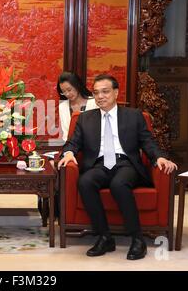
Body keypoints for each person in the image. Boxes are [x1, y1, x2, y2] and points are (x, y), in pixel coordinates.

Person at [58, 74, 177, 260]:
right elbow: (72, 143)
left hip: (125, 163)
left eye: (105, 91)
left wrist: (159, 158)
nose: (100, 96)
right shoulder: (85, 118)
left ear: (116, 93)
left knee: (119, 184)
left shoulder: (134, 116)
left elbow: (148, 142)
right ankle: (105, 237)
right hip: (99, 165)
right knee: (85, 182)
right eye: (96, 93)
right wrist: (69, 153)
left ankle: (137, 239)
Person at [57, 71, 98, 142]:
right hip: (71, 147)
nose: (67, 94)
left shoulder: (94, 103)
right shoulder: (63, 106)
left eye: (69, 90)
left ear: (77, 85)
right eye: (63, 91)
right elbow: (66, 134)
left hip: (93, 146)